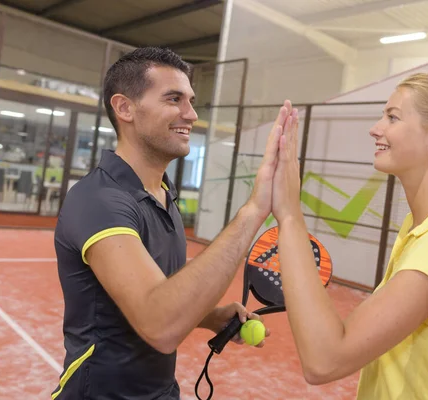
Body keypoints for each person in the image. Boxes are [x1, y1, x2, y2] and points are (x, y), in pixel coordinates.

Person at [51, 47, 292, 399]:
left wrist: (210, 316)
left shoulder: (162, 193)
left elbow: (161, 296)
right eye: (174, 99)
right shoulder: (99, 200)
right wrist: (255, 209)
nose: (191, 114)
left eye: (191, 100)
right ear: (124, 108)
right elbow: (160, 323)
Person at [271, 72, 428, 399]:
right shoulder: (424, 230)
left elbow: (325, 359)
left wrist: (289, 214)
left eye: (392, 117)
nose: (375, 128)